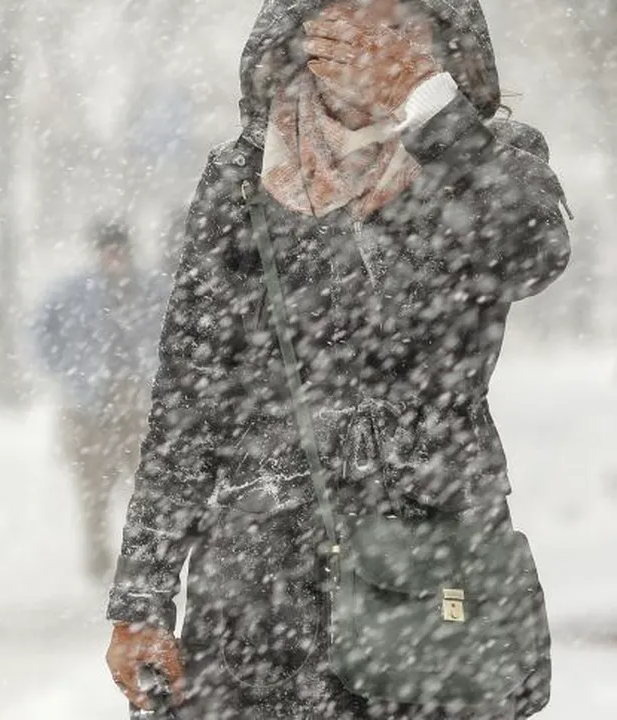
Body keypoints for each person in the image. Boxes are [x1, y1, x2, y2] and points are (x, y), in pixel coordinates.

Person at [105, 0, 569, 717]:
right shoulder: (242, 180)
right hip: (259, 586)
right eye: (345, 19)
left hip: (433, 559)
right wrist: (142, 598)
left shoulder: (485, 159)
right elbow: (188, 398)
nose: (369, 42)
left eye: (397, 25)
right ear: (299, 36)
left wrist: (425, 105)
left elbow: (529, 252)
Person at [33, 221, 167, 582]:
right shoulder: (72, 293)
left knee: (144, 485)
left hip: (139, 402)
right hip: (88, 405)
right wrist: (68, 371)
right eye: (108, 251)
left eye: (120, 251)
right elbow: (40, 333)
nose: (114, 259)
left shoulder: (154, 289)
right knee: (93, 489)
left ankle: (144, 558)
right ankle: (98, 559)